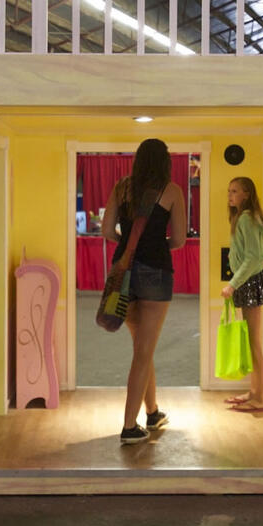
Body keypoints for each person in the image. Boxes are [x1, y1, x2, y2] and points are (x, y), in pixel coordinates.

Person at [101, 138, 187, 444]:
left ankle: (152, 412)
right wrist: (154, 245)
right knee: (143, 351)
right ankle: (129, 425)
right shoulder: (172, 190)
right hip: (155, 272)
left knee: (142, 346)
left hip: (123, 271)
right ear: (165, 161)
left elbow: (107, 230)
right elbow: (178, 239)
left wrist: (128, 247)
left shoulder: (121, 188)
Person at [220, 176, 263, 413]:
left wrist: (232, 284)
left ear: (246, 194)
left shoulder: (246, 218)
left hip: (251, 283)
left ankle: (261, 398)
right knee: (251, 341)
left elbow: (254, 257)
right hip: (250, 282)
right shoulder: (246, 218)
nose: (230, 195)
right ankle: (254, 392)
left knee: (254, 342)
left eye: (235, 191)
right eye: (229, 191)